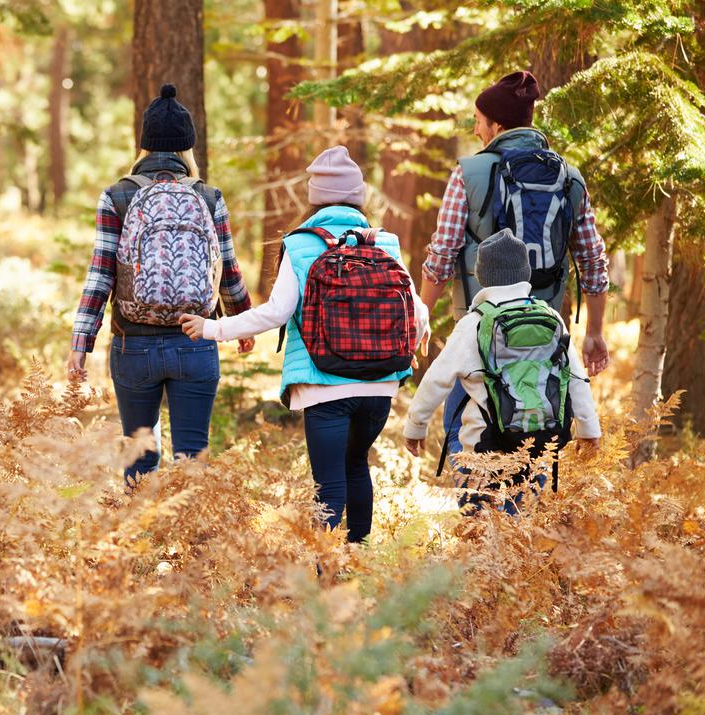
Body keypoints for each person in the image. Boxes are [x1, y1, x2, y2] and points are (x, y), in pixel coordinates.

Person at [180, 146, 429, 543]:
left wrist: (213, 329)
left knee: (328, 482)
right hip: (381, 385)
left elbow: (276, 313)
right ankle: (358, 559)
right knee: (356, 465)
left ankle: (326, 574)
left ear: (316, 198)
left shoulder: (300, 245)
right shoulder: (387, 242)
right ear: (357, 196)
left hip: (322, 383)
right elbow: (414, 310)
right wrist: (415, 342)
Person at [417, 71, 611, 466]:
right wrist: (594, 332)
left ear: (497, 125)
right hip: (545, 333)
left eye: (478, 120)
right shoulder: (569, 178)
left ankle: (481, 516)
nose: (475, 129)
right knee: (539, 436)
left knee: (468, 429)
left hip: (482, 332)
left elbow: (442, 254)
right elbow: (593, 260)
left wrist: (421, 314)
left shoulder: (468, 174)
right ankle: (526, 521)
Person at [67, 83, 254, 484]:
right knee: (192, 458)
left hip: (133, 344)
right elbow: (228, 269)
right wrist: (243, 323)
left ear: (144, 145)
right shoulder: (208, 196)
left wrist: (80, 343)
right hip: (195, 340)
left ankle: (139, 542)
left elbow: (100, 276)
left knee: (138, 455)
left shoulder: (117, 196)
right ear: (188, 146)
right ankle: (190, 543)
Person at [404, 230, 601, 509]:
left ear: (481, 276)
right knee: (518, 519)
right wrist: (589, 429)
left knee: (482, 521)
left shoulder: (473, 323)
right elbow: (576, 378)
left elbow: (437, 380)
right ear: (526, 273)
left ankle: (485, 548)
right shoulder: (550, 316)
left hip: (484, 445)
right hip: (538, 441)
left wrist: (416, 426)